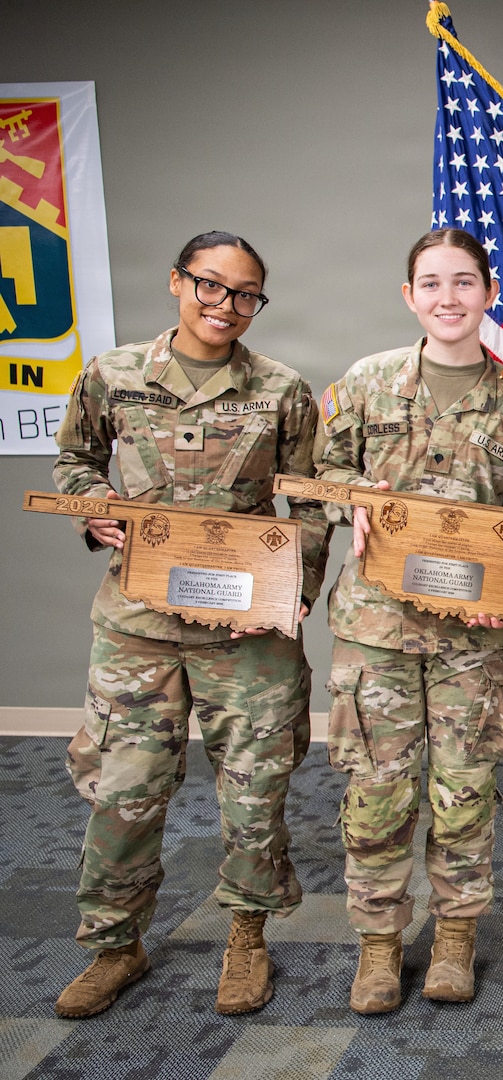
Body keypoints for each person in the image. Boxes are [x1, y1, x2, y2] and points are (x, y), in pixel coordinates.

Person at [50, 232, 332, 1018]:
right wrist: (93, 512)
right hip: (139, 621)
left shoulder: (283, 389)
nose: (226, 307)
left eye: (245, 295)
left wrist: (296, 590)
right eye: (211, 286)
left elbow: (311, 503)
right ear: (178, 282)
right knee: (124, 790)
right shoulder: (113, 375)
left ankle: (247, 936)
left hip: (247, 630)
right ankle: (115, 945)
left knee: (255, 792)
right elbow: (75, 463)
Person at [316, 228, 503, 1014]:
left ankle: (456, 936)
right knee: (378, 794)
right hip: (378, 628)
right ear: (409, 296)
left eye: (464, 283)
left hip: (474, 638)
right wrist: (349, 498)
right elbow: (322, 473)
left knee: (464, 791)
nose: (448, 298)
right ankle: (380, 948)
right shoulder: (365, 382)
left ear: (490, 293)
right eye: (431, 283)